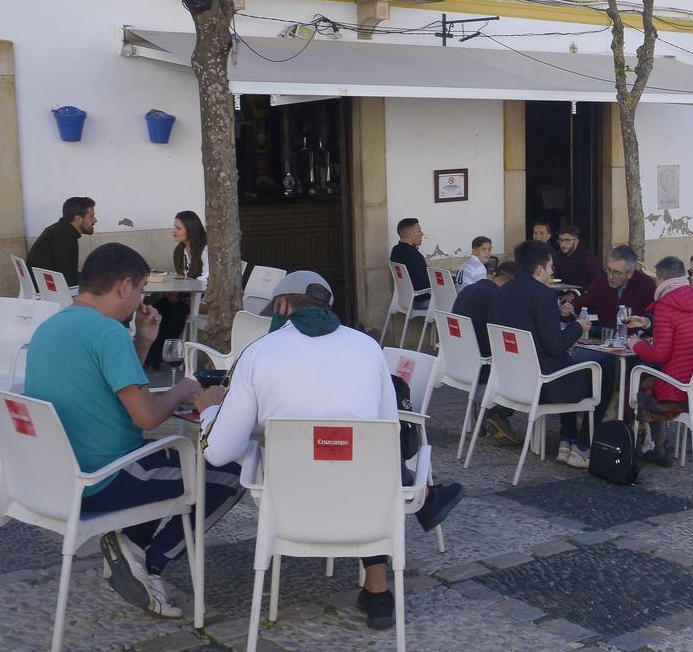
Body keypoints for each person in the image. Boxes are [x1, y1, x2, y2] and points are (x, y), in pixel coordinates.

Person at [196, 271, 462, 630]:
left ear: (282, 305)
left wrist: (210, 411)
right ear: (327, 307)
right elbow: (388, 434)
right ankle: (379, 593)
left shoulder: (258, 352)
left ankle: (378, 584)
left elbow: (218, 452)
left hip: (289, 509)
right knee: (368, 462)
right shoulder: (367, 347)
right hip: (363, 509)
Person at [23, 242, 243, 617]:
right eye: (141, 289)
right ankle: (147, 564)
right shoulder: (107, 332)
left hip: (53, 479)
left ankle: (129, 548)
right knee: (229, 474)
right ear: (124, 285)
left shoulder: (50, 326)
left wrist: (142, 341)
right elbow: (147, 417)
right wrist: (186, 388)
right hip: (103, 481)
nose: (141, 299)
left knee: (165, 458)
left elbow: (111, 385)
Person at [488, 240, 596, 467]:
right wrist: (578, 327)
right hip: (541, 385)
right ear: (539, 270)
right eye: (550, 267)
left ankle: (568, 438)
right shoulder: (543, 294)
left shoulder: (502, 290)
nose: (551, 272)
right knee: (597, 375)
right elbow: (555, 346)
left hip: (508, 382)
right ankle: (582, 445)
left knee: (569, 365)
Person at [628, 256, 693, 467]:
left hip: (679, 393)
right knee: (648, 379)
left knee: (639, 383)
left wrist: (634, 343)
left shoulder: (665, 305)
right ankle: (656, 447)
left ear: (660, 279)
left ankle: (642, 446)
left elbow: (659, 355)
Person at [451, 264, 520, 442]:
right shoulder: (495, 297)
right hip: (481, 365)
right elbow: (503, 334)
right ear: (511, 282)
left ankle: (489, 410)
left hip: (456, 361)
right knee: (528, 365)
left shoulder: (469, 290)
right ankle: (495, 411)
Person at [145, 211, 209, 368]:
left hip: (208, 299)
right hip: (189, 296)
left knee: (179, 309)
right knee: (161, 305)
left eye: (178, 228)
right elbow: (182, 277)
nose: (174, 231)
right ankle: (151, 355)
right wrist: (176, 292)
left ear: (191, 230)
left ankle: (163, 354)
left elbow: (208, 279)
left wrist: (181, 292)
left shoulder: (205, 249)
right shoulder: (180, 251)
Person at [566, 245, 657, 333]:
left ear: (630, 273)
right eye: (608, 270)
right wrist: (569, 309)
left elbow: (653, 320)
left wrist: (646, 323)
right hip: (605, 337)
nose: (610, 276)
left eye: (617, 273)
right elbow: (581, 304)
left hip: (637, 339)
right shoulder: (601, 282)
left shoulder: (646, 285)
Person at [26, 196, 97, 289]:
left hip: (44, 287)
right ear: (78, 219)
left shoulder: (58, 230)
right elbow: (69, 280)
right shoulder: (65, 236)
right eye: (91, 216)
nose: (95, 220)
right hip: (50, 291)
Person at [389, 217, 430, 325]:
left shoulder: (395, 250)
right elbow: (427, 281)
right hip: (423, 299)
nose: (422, 234)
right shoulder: (413, 255)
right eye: (419, 231)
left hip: (404, 299)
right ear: (409, 234)